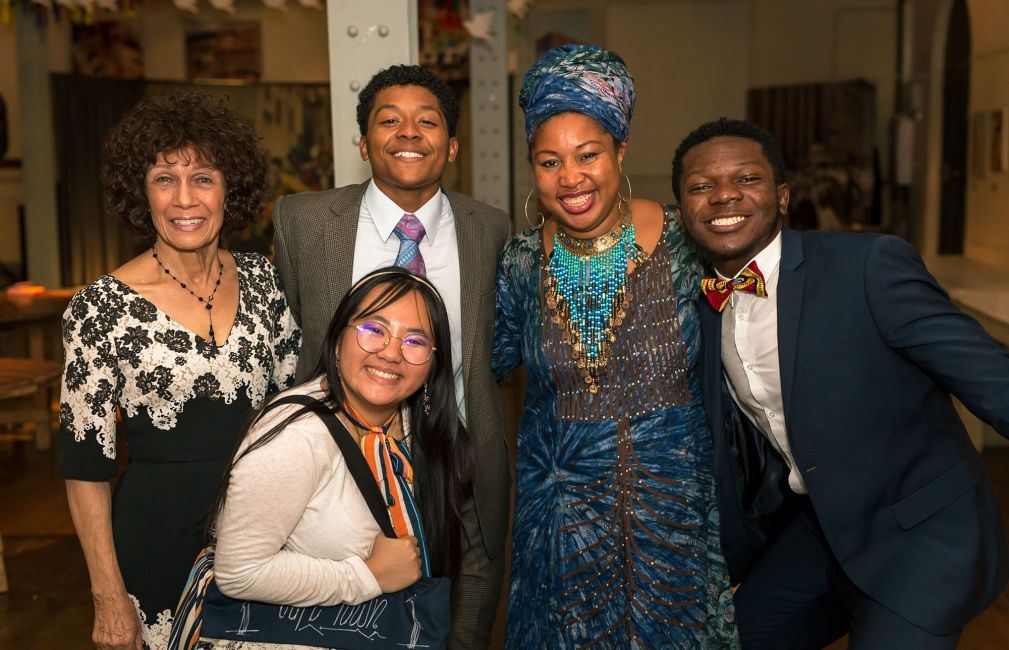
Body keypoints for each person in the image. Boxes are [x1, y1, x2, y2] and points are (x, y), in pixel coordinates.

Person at [672, 117, 1009, 649]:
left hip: (918, 540)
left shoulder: (868, 266)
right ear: (683, 210)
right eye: (700, 186)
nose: (723, 195)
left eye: (747, 178)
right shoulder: (702, 307)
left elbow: (995, 380)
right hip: (819, 533)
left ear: (782, 197)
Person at [492, 44, 739, 648]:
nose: (570, 178)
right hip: (562, 526)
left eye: (587, 155)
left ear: (620, 153)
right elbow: (488, 364)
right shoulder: (522, 262)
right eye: (548, 161)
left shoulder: (687, 240)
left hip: (675, 513)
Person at [272, 64, 511, 647]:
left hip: (463, 472)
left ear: (451, 145)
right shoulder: (302, 221)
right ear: (363, 142)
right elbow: (288, 345)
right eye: (389, 120)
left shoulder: (492, 230)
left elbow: (498, 355)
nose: (409, 133)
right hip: (338, 475)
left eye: (427, 121)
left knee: (465, 630)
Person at [60, 92, 301, 650]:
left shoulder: (264, 282)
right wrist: (106, 594)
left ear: (229, 188)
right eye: (165, 179)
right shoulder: (99, 309)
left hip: (267, 537)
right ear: (140, 192)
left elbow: (296, 416)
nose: (184, 199)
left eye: (204, 178)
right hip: (156, 547)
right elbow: (85, 468)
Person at [195, 267, 470, 649]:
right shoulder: (297, 437)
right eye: (374, 330)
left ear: (433, 363)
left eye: (415, 340)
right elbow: (238, 572)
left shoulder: (414, 426)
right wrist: (367, 576)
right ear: (339, 337)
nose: (391, 353)